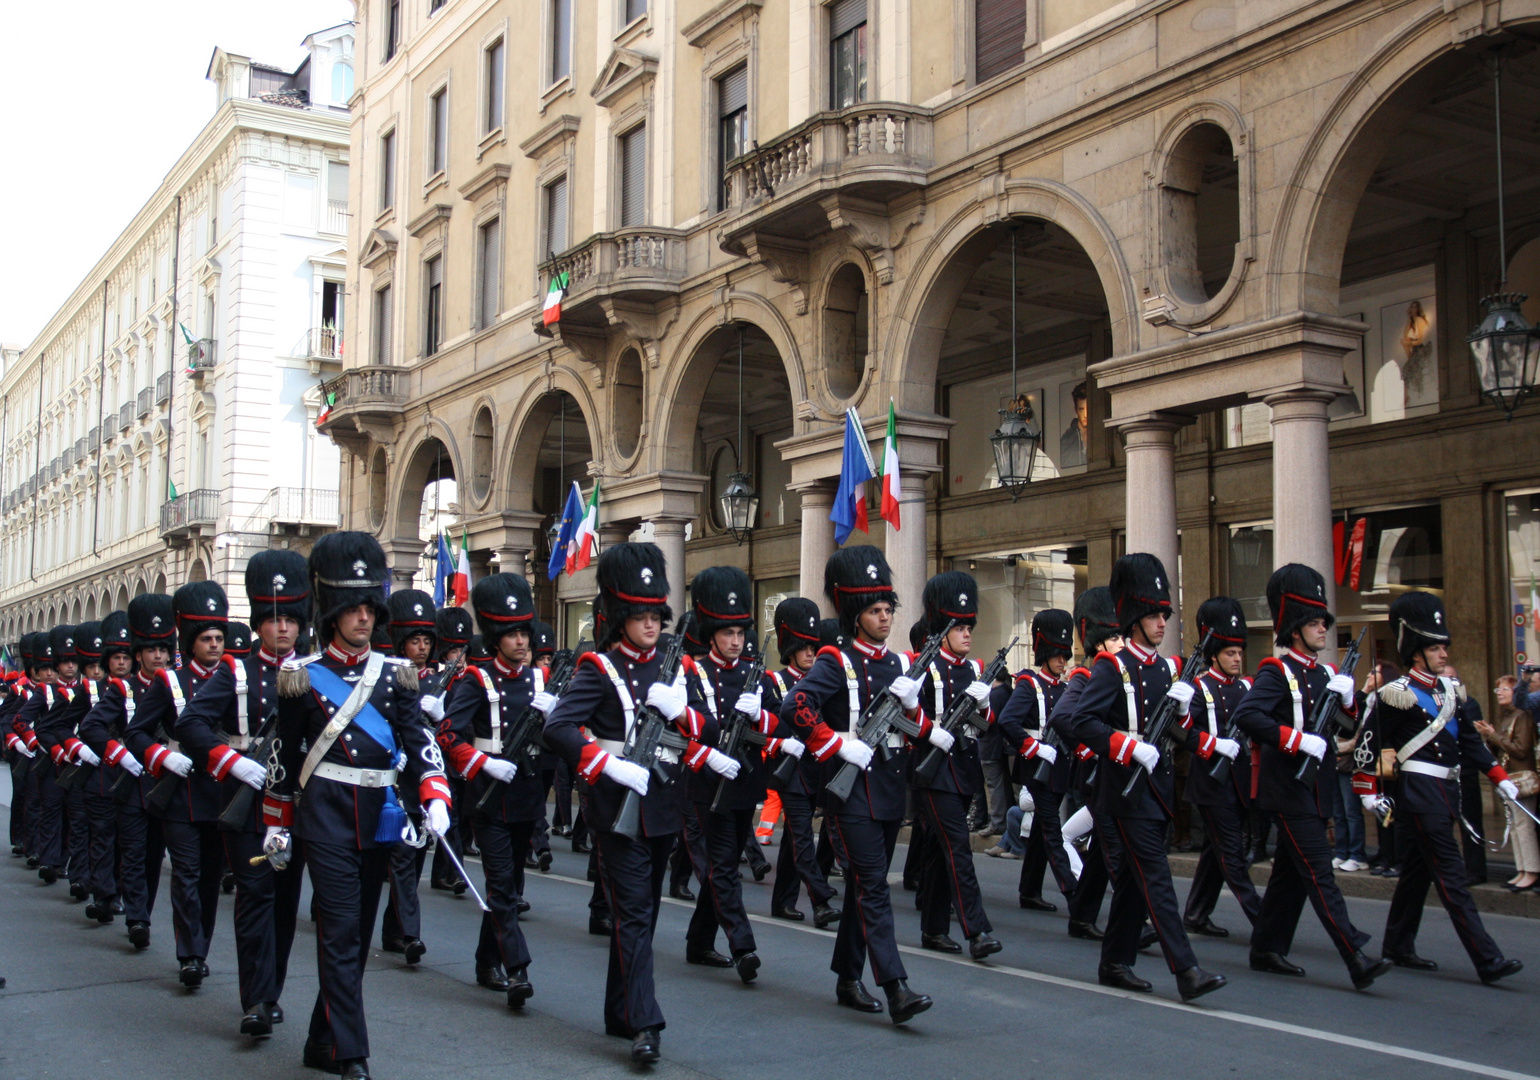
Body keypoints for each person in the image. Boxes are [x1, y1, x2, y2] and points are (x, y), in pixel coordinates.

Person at [262, 532, 453, 1080]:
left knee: (358, 934)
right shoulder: (302, 676)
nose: (364, 619)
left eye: (371, 608)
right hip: (324, 818)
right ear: (334, 614)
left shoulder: (396, 675)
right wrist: (277, 824)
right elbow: (284, 753)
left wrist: (433, 792)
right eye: (354, 609)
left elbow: (417, 741)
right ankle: (353, 1054)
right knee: (341, 931)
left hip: (380, 817)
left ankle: (321, 1040)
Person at [543, 542, 709, 1064]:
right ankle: (645, 1022)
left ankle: (620, 1008)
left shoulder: (675, 666)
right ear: (619, 617)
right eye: (639, 614)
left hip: (662, 802)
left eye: (655, 613)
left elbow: (709, 729)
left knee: (645, 914)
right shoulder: (598, 667)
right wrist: (605, 764)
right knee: (634, 914)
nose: (651, 623)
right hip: (617, 807)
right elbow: (559, 727)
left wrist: (683, 712)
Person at [779, 545, 937, 1025]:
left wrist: (912, 708)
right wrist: (835, 745)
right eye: (875, 610)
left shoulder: (898, 663)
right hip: (850, 793)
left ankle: (848, 976)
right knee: (873, 887)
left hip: (890, 790)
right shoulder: (834, 660)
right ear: (855, 614)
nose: (885, 617)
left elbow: (917, 729)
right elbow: (796, 708)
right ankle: (896, 986)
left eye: (889, 608)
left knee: (862, 891)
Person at [1068, 554, 1227, 1002]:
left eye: (1164, 615)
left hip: (1156, 789)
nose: (1162, 623)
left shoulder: (1168, 669)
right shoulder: (1111, 667)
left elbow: (1177, 731)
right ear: (1134, 619)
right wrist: (1128, 745)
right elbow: (1083, 721)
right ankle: (1187, 970)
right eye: (1155, 615)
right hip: (1121, 790)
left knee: (1137, 882)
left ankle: (1114, 962)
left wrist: (1182, 714)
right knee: (1156, 878)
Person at [1352, 591, 1523, 984]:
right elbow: (1367, 744)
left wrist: (1499, 779)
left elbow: (1469, 743)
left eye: (1444, 647)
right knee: (1452, 877)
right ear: (1416, 653)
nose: (1444, 654)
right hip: (1419, 795)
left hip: (1447, 794)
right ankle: (1488, 958)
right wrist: (1366, 788)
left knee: (1417, 872)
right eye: (1435, 647)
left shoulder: (1450, 692)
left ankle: (1397, 944)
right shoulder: (1396, 695)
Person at [1232, 563, 1389, 990]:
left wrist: (1350, 701)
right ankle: (1354, 953)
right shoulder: (1275, 671)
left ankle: (1266, 948)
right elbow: (1249, 715)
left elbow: (1342, 726)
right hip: (1287, 790)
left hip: (1315, 788)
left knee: (1290, 877)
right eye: (1316, 622)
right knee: (1320, 871)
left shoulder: (1322, 674)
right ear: (1296, 629)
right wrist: (1295, 740)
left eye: (1323, 622)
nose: (1323, 628)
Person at [173, 550, 309, 1037]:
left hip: (297, 809)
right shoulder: (236, 672)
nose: (284, 629)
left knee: (285, 902)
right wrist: (230, 761)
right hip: (249, 806)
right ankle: (254, 1000)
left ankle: (271, 991)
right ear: (258, 624)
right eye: (274, 619)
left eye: (292, 619)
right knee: (254, 896)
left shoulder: (316, 671)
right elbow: (190, 722)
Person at [441, 573, 546, 1008]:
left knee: (512, 882)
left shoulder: (539, 682)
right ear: (497, 637)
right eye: (512, 634)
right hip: (487, 797)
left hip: (526, 796)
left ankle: (487, 961)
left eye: (525, 633)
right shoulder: (475, 680)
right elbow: (448, 734)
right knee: (502, 886)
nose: (521, 642)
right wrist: (483, 762)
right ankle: (517, 968)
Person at [677, 566, 767, 981]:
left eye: (740, 633)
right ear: (711, 633)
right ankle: (743, 945)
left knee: (722, 864)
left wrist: (761, 715)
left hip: (744, 781)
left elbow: (780, 725)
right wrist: (706, 757)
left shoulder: (754, 673)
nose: (736, 641)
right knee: (724, 866)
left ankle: (698, 941)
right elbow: (676, 733)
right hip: (705, 783)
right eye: (727, 633)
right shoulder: (691, 672)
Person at [909, 572, 1002, 960]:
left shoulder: (972, 669)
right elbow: (902, 716)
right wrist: (931, 731)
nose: (967, 634)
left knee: (935, 849)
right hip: (932, 771)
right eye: (959, 627)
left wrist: (984, 708)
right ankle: (976, 930)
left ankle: (932, 928)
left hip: (963, 769)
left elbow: (985, 727)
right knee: (958, 848)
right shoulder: (921, 666)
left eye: (969, 627)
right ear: (941, 629)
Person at [78, 596, 174, 950]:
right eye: (151, 650)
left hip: (167, 782)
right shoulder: (122, 688)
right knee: (132, 852)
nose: (159, 656)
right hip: (132, 781)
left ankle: (141, 910)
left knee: (153, 855)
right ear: (139, 655)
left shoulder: (176, 687)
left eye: (164, 649)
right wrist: (121, 755)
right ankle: (138, 918)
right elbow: (92, 726)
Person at [1180, 596, 1261, 938]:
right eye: (1230, 653)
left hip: (1239, 782)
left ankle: (1196, 914)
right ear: (1215, 655)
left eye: (1239, 652)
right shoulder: (1200, 687)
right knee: (1232, 855)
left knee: (1216, 854)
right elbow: (1182, 731)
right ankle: (1266, 920)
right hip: (1211, 784)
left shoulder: (1246, 687)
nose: (1237, 658)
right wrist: (1213, 745)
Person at [995, 608, 1077, 912]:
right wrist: (1033, 748)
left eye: (1064, 654)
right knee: (1053, 833)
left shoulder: (1064, 688)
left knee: (1043, 831)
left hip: (1058, 768)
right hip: (1037, 767)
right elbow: (1008, 721)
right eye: (1056, 654)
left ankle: (1029, 890)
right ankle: (1074, 893)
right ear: (1044, 652)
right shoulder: (1030, 685)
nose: (1062, 660)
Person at [764, 597, 840, 927]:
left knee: (796, 839)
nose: (810, 653)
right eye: (803, 647)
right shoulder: (774, 682)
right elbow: (761, 729)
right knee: (802, 836)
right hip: (789, 770)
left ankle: (782, 901)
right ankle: (820, 900)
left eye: (813, 646)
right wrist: (782, 740)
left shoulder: (823, 684)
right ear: (789, 647)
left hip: (817, 769)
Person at [381, 589, 440, 965]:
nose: (421, 647)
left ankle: (392, 929)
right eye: (414, 640)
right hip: (391, 778)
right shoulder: (385, 678)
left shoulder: (436, 682)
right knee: (401, 858)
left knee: (414, 858)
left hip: (421, 779)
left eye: (426, 641)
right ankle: (409, 934)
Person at [1479, 676, 1537, 891]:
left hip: (1522, 776)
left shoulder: (1522, 715)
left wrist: (1493, 735)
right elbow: (1500, 748)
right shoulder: (1506, 717)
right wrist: (1489, 736)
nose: (1499, 693)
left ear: (1516, 692)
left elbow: (1521, 749)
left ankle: (1531, 871)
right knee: (1514, 825)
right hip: (1510, 777)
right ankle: (1522, 869)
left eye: (1504, 689)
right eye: (1497, 689)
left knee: (1523, 825)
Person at [1059, 381, 1088, 469]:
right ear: (1076, 410)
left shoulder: (1101, 436)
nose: (1085, 414)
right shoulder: (1067, 439)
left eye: (1088, 408)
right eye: (1081, 409)